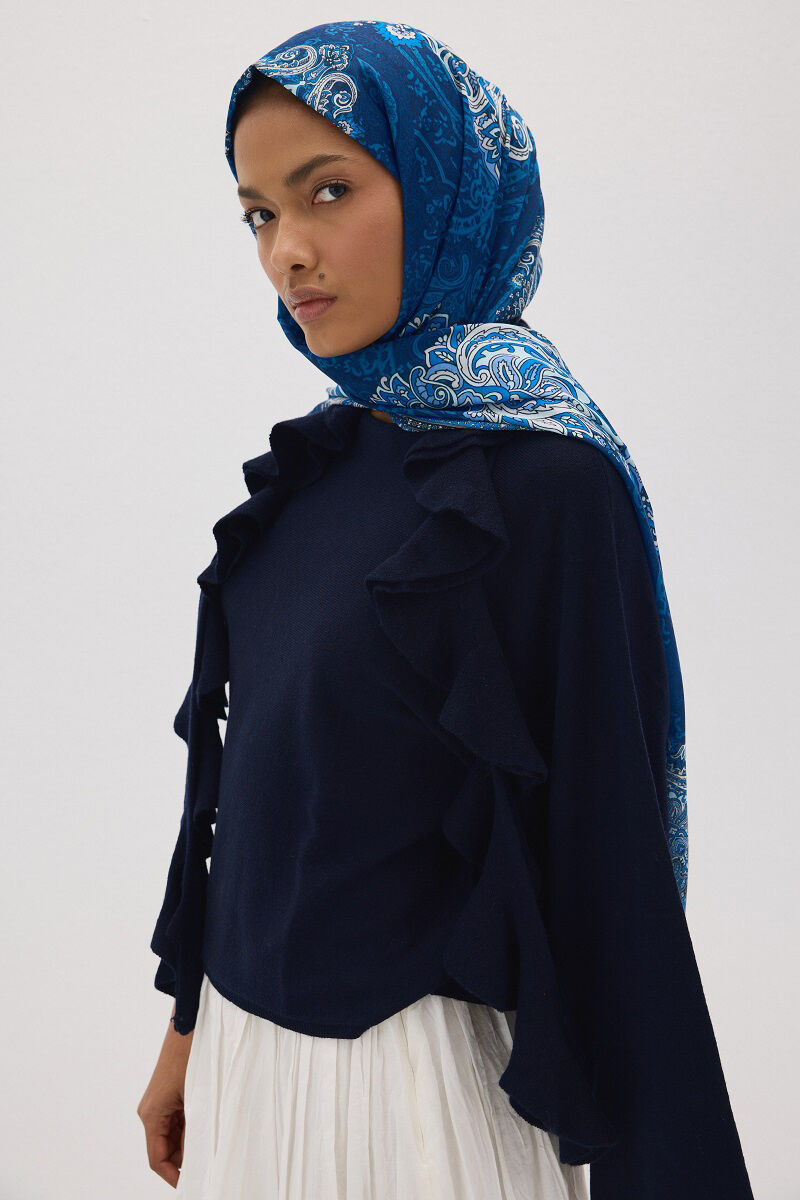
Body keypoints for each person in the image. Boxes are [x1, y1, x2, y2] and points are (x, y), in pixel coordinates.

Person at [137, 21, 754, 1199]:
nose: (287, 253)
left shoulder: (543, 486)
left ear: (445, 187)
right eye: (259, 213)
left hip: (417, 1106)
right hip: (244, 1070)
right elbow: (257, 792)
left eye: (327, 191)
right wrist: (185, 1032)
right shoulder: (313, 473)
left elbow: (607, 867)